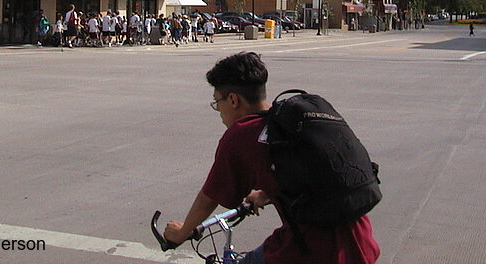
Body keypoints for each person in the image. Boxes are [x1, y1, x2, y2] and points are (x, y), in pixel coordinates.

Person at [163, 52, 380, 264]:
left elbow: (207, 199)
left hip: (309, 251)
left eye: (217, 102)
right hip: (360, 244)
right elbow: (310, 175)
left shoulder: (242, 135)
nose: (218, 111)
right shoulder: (289, 124)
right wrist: (267, 193)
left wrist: (182, 232)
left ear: (233, 99)